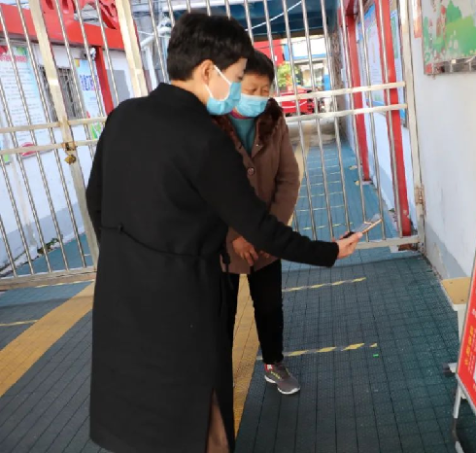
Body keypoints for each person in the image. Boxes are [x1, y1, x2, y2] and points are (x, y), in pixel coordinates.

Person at [85, 13, 361, 453]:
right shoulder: (203, 139)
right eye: (235, 77)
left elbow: (96, 199)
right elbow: (260, 228)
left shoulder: (123, 117)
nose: (235, 89)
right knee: (200, 410)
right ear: (207, 70)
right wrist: (330, 251)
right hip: (183, 297)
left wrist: (127, 258)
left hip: (121, 289)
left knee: (137, 408)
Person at [213, 51, 302, 395]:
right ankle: (218, 375)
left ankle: (274, 364)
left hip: (266, 236)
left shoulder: (274, 119)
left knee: (269, 306)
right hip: (224, 242)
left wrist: (268, 232)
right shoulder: (208, 122)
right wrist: (235, 235)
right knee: (221, 311)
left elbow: (288, 178)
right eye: (251, 89)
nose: (259, 97)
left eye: (265, 90)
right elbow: (206, 189)